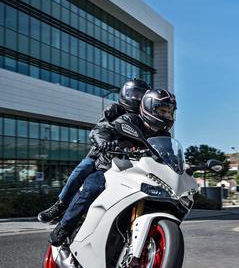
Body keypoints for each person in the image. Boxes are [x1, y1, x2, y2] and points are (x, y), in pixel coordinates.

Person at [48, 89, 177, 246]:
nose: (167, 116)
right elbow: (103, 130)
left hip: (139, 174)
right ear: (150, 108)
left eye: (169, 112)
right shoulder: (130, 120)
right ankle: (64, 227)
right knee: (92, 188)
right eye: (163, 111)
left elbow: (168, 156)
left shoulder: (164, 136)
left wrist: (179, 164)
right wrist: (104, 142)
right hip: (111, 167)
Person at [37, 79, 150, 224]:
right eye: (134, 94)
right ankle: (60, 205)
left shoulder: (145, 119)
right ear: (125, 94)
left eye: (141, 95)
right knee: (82, 169)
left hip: (126, 162)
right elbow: (100, 128)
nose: (137, 98)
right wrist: (104, 143)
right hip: (100, 155)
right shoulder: (114, 110)